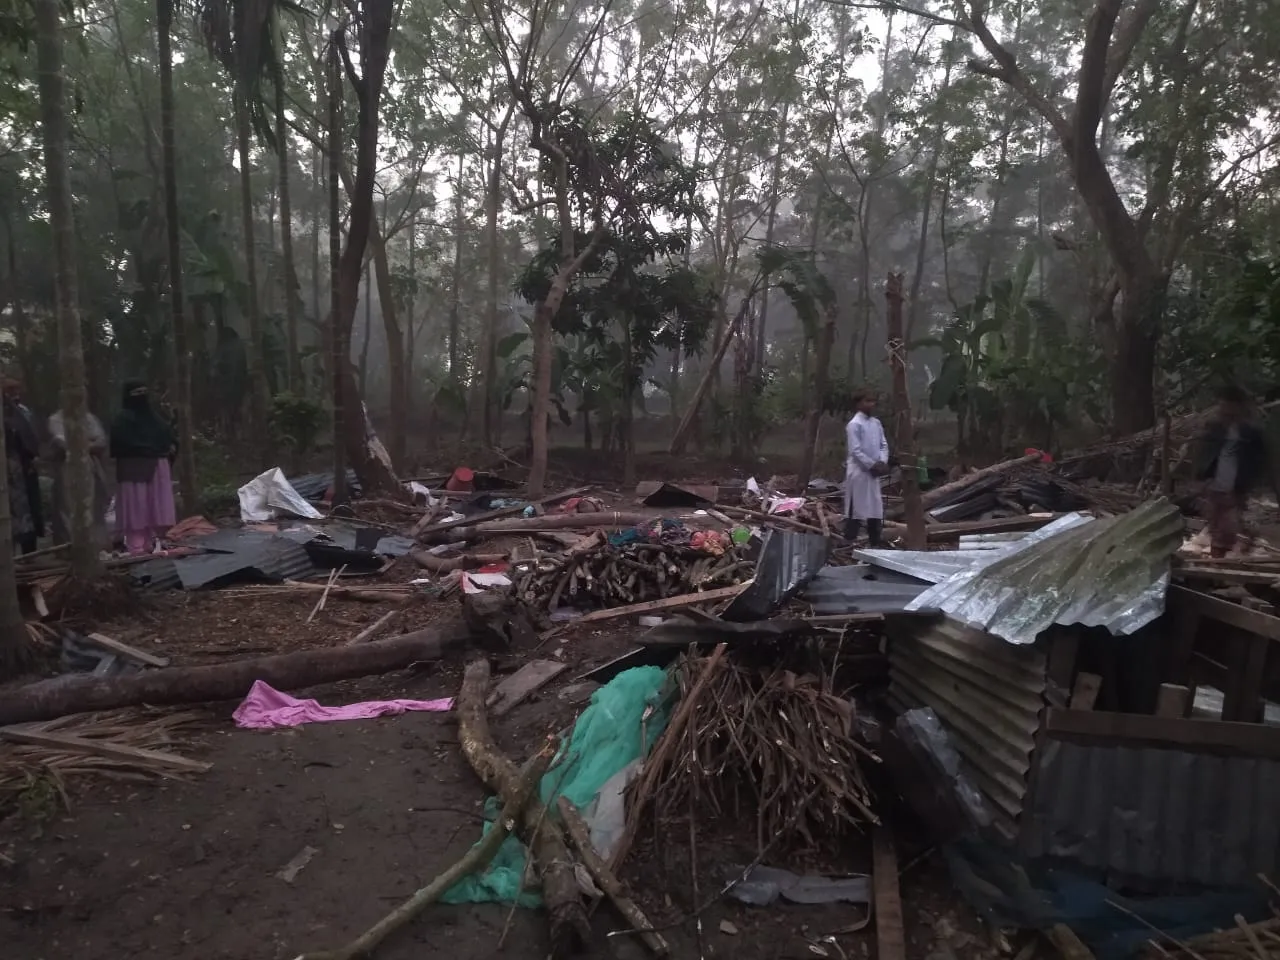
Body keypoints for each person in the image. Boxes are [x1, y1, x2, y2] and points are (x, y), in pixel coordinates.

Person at [1196, 384, 1273, 558]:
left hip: (1236, 486)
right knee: (1215, 526)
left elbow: (1260, 462)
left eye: (1228, 405)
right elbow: (1204, 454)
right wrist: (1202, 477)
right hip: (1215, 483)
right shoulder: (1215, 427)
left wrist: (1251, 485)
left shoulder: (1251, 432)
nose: (1223, 409)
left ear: (1238, 406)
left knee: (1231, 527)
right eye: (1222, 405)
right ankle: (1217, 565)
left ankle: (1231, 559)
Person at [109, 380, 177, 554]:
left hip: (140, 468)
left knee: (140, 511)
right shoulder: (155, 421)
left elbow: (117, 445)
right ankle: (142, 548)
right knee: (143, 511)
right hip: (145, 468)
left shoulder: (123, 419)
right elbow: (170, 444)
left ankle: (143, 548)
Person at [48, 406, 111, 548]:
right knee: (67, 506)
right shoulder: (56, 419)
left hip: (91, 467)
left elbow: (101, 440)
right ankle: (69, 546)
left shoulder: (88, 417)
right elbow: (62, 442)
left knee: (94, 505)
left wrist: (83, 445)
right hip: (66, 468)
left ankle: (97, 543)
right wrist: (86, 443)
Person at [844, 389, 890, 546]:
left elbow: (883, 445)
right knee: (856, 508)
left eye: (872, 401)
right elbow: (855, 450)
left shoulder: (876, 423)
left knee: (875, 509)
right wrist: (871, 464)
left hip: (874, 473)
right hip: (859, 473)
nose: (871, 404)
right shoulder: (854, 424)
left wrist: (882, 461)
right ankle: (849, 541)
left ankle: (874, 542)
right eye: (867, 401)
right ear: (858, 404)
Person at [3, 379, 44, 547]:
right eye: (10, 391)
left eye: (17, 391)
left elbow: (31, 436)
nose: (15, 395)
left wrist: (34, 457)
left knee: (28, 509)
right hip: (8, 467)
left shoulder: (23, 412)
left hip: (24, 466)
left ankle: (30, 552)